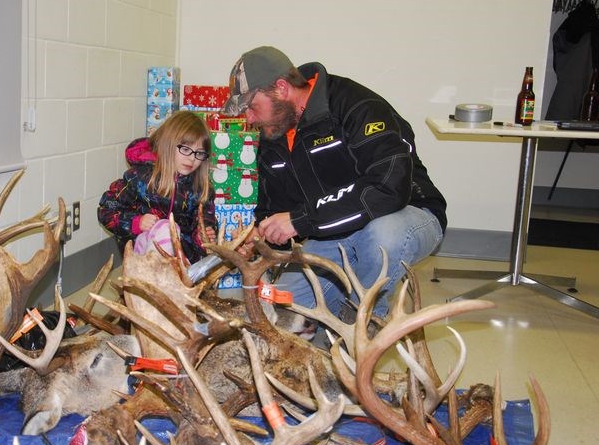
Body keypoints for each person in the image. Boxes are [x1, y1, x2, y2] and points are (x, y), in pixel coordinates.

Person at [222, 46, 447, 319]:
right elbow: (275, 210)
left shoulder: (357, 106)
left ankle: (363, 326)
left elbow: (388, 189)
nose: (249, 119)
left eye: (251, 107)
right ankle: (339, 310)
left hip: (406, 217)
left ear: (281, 88)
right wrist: (259, 237)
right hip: (333, 233)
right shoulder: (274, 136)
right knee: (280, 314)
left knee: (382, 237)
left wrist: (300, 220)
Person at [98, 110, 217, 264]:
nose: (192, 159)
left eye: (199, 153)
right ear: (168, 145)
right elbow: (106, 210)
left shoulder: (201, 189)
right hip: (143, 255)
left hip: (183, 260)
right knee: (166, 228)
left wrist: (204, 236)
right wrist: (136, 223)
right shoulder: (140, 178)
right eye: (186, 150)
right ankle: (156, 276)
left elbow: (206, 222)